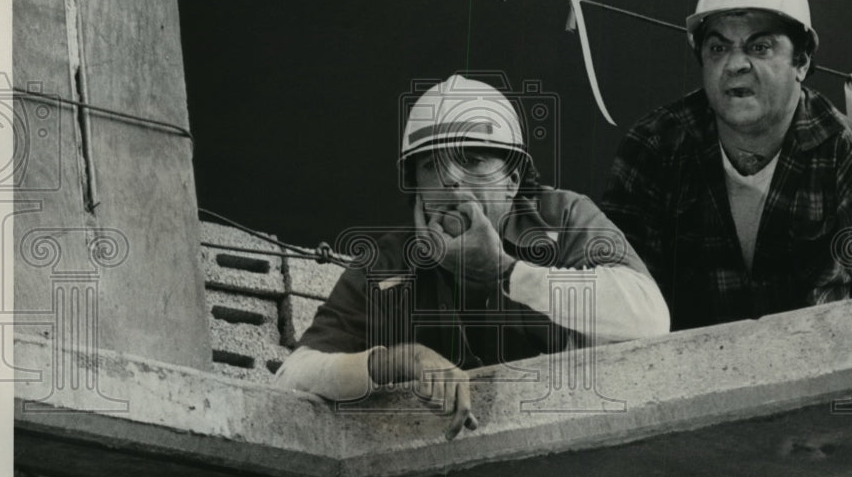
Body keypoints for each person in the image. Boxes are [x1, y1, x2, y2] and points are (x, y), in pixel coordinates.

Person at [275, 74, 670, 438]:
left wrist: (506, 271)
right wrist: (399, 361)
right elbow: (292, 374)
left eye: (473, 159)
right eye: (432, 165)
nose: (452, 179)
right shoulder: (389, 260)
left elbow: (651, 319)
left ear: (513, 180)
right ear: (417, 192)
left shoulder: (560, 216)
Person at [602, 0, 852, 332]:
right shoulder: (655, 148)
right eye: (718, 48)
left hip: (817, 380)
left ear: (801, 62)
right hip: (684, 379)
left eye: (759, 47)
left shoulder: (850, 157)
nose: (735, 64)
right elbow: (616, 302)